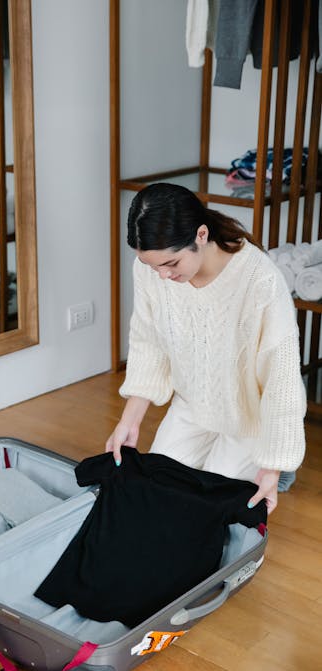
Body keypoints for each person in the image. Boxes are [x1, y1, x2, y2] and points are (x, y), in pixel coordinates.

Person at [106, 183, 306, 514]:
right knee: (155, 494)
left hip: (248, 418)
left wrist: (272, 465)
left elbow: (281, 379)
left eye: (171, 264)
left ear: (201, 235)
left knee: (205, 509)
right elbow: (147, 340)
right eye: (152, 266)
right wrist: (131, 418)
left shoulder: (260, 280)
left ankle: (284, 468)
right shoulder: (151, 270)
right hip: (192, 407)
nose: (163, 276)